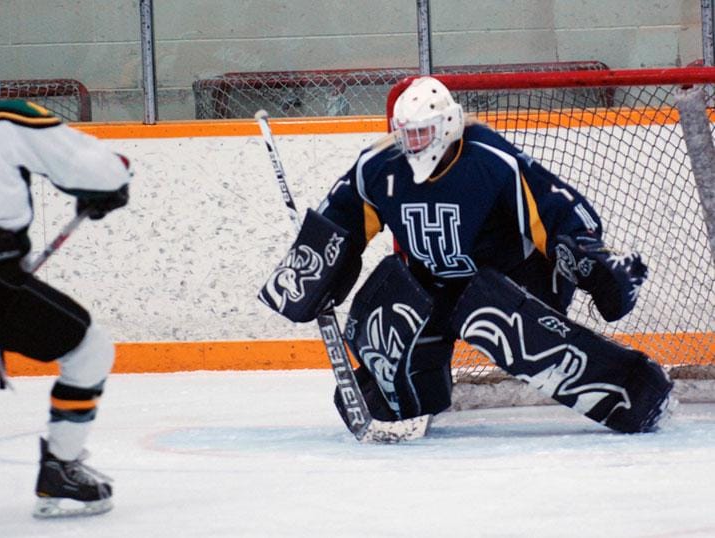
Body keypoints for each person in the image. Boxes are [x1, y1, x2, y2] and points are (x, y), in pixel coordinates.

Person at [260, 76, 673, 435]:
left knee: (490, 314)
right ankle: (398, 400)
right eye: (405, 132)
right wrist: (314, 267)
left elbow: (559, 211)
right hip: (436, 281)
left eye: (420, 132)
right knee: (388, 317)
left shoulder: (490, 159)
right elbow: (343, 221)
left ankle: (636, 392)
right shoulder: (379, 166)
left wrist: (588, 258)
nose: (410, 143)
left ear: (447, 126)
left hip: (516, 279)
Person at [0, 57, 131, 517]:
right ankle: (60, 468)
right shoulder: (3, 117)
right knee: (89, 348)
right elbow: (101, 169)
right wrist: (106, 185)